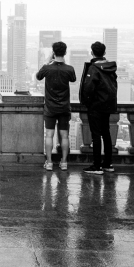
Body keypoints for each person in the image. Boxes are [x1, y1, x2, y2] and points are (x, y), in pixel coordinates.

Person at [36, 41, 76, 171]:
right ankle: (64, 162)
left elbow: (38, 76)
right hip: (64, 107)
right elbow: (73, 79)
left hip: (50, 107)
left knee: (49, 135)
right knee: (64, 135)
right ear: (65, 52)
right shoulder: (69, 69)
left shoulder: (47, 68)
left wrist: (48, 61)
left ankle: (49, 162)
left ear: (53, 52)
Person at [80, 41, 118, 175]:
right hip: (108, 105)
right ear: (104, 53)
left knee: (96, 135)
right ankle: (108, 164)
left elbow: (88, 87)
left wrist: (88, 102)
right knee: (106, 134)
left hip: (96, 106)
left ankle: (97, 166)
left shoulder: (94, 68)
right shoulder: (111, 67)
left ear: (92, 52)